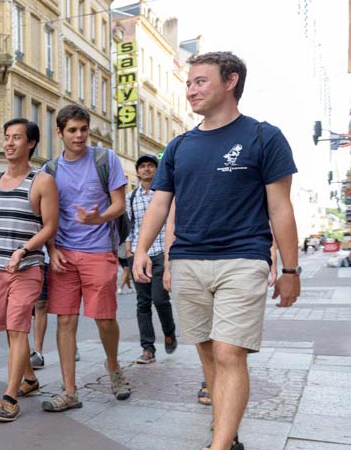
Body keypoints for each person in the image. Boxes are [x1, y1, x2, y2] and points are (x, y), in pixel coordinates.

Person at [133, 51, 300, 450]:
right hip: (189, 259)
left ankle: (219, 445)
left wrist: (290, 271)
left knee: (229, 352)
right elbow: (160, 203)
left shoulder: (264, 136)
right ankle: (228, 431)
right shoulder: (178, 146)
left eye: (200, 81)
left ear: (230, 81)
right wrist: (142, 250)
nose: (190, 90)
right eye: (189, 83)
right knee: (208, 351)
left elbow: (280, 207)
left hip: (243, 257)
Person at [41, 104, 132, 413]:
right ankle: (69, 391)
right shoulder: (49, 170)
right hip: (63, 254)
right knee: (65, 320)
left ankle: (114, 367)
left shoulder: (105, 159)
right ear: (59, 133)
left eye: (83, 129)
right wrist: (51, 250)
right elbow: (46, 216)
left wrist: (99, 218)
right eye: (72, 130)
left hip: (99, 251)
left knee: (104, 319)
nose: (79, 136)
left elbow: (119, 204)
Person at [0, 118, 58, 422]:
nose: (9, 143)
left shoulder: (42, 182)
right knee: (8, 330)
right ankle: (29, 379)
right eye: (6, 137)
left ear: (31, 143)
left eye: (17, 138)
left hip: (27, 268)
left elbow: (50, 226)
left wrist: (24, 250)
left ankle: (10, 398)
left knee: (17, 328)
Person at [124, 155, 177, 364]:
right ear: (137, 172)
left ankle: (169, 331)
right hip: (139, 253)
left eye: (150, 166)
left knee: (160, 299)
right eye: (142, 166)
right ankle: (148, 348)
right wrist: (129, 249)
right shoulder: (131, 197)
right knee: (142, 303)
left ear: (156, 170)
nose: (146, 169)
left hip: (161, 252)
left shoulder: (164, 195)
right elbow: (130, 225)